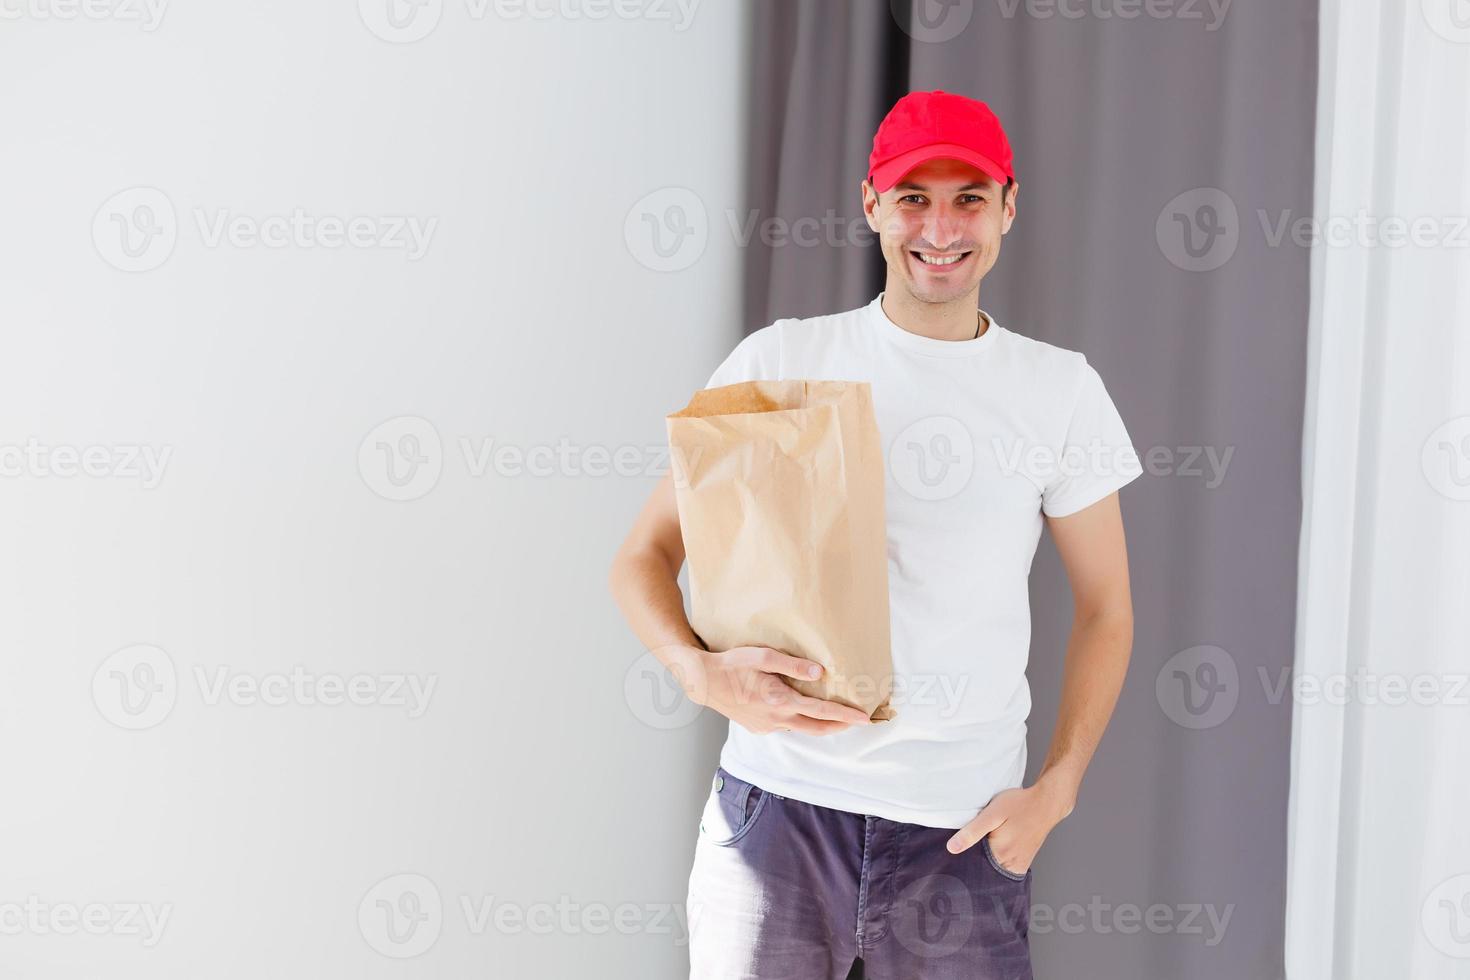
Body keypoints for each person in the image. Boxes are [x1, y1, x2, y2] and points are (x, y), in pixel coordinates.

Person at [609, 89, 1143, 980]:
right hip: (778, 818)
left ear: (1009, 208)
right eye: (913, 198)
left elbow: (1108, 608)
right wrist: (698, 674)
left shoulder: (1060, 390)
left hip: (963, 841)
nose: (941, 226)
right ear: (871, 206)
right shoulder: (783, 358)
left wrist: (1057, 792)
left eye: (969, 197)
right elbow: (643, 557)